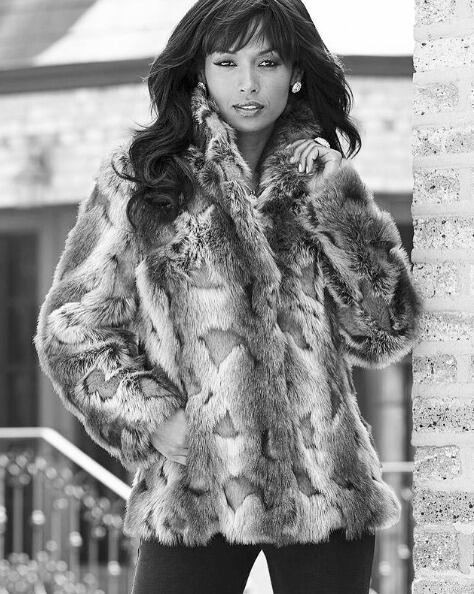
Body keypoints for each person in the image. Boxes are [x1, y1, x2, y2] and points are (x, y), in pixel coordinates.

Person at [33, 0, 424, 592]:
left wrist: (336, 202)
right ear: (200, 70)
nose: (248, 84)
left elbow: (383, 331)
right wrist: (154, 418)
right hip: (194, 487)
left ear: (295, 71)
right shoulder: (143, 178)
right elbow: (71, 327)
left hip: (323, 490)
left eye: (267, 62)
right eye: (227, 62)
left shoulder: (321, 179)